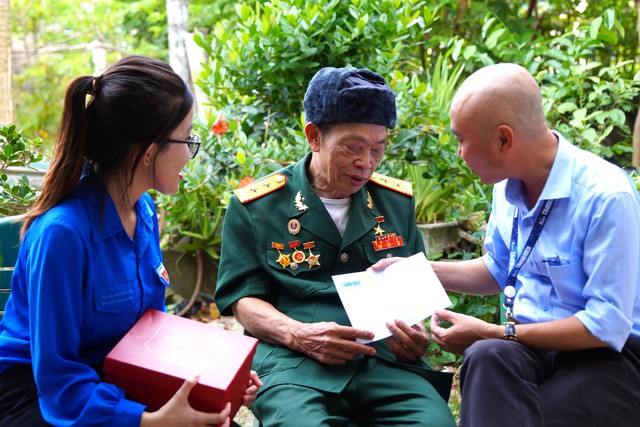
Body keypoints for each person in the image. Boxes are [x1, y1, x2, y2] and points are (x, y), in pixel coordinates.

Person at [0, 55, 262, 427]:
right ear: (148, 151)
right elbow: (57, 377)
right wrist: (149, 421)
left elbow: (153, 332)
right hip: (41, 396)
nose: (190, 152)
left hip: (116, 377)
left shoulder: (144, 211)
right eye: (186, 138)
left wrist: (217, 380)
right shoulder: (63, 234)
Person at [373, 62, 640, 426]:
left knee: (523, 411)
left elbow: (607, 325)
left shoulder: (605, 197)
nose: (460, 153)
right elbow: (498, 268)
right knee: (484, 357)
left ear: (503, 139)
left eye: (462, 139)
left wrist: (497, 331)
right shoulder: (506, 187)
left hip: (606, 355)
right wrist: (419, 269)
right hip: (531, 347)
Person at [214, 66, 455, 426]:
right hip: (292, 365)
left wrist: (414, 336)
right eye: (353, 147)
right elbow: (243, 301)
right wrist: (300, 335)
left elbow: (410, 294)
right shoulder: (257, 205)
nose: (366, 163)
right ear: (314, 136)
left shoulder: (395, 202)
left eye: (378, 149)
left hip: (384, 363)